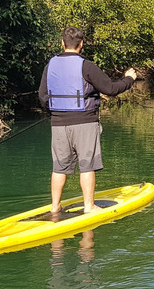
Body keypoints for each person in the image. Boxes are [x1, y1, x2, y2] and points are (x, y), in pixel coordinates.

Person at [38, 27, 138, 215]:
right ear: (81, 45)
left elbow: (42, 96)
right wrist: (129, 79)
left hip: (58, 124)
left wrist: (54, 112)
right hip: (85, 122)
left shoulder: (49, 65)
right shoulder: (87, 66)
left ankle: (54, 207)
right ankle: (89, 206)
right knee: (87, 165)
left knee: (59, 167)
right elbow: (110, 88)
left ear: (62, 43)